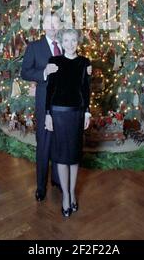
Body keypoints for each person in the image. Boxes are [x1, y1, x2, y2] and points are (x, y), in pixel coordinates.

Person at [45, 29, 92, 217]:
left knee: (74, 156)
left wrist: (87, 112)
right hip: (58, 113)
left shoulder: (84, 63)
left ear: (78, 42)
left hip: (76, 114)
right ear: (61, 42)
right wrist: (48, 114)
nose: (70, 43)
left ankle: (72, 193)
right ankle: (65, 195)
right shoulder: (54, 62)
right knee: (62, 156)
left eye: (73, 40)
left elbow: (86, 90)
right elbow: (50, 89)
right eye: (66, 40)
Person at [21, 13, 62, 201]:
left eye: (56, 23)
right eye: (49, 23)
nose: (53, 27)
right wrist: (44, 72)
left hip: (63, 105)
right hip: (44, 103)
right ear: (43, 26)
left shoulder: (66, 46)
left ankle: (56, 180)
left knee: (59, 143)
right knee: (44, 145)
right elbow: (25, 72)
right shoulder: (35, 47)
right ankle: (40, 186)